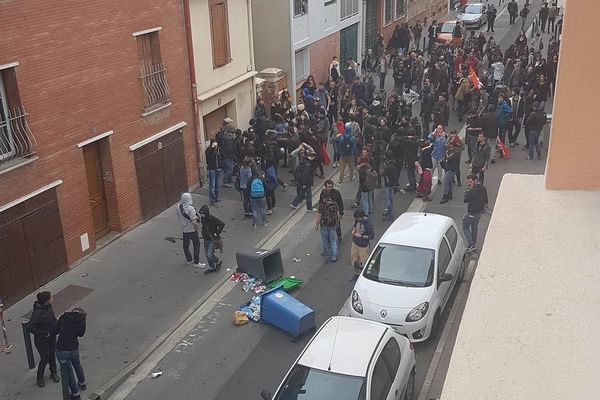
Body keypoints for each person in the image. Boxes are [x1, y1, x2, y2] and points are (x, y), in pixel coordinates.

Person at [28, 291, 59, 388]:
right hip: (42, 340)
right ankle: (39, 376)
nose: (52, 299)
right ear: (47, 301)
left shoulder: (49, 308)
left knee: (52, 355)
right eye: (51, 297)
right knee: (45, 357)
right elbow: (29, 327)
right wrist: (43, 333)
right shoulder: (37, 312)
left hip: (52, 336)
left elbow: (52, 319)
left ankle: (53, 372)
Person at [54, 308, 87, 400]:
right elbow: (81, 334)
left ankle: (75, 394)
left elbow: (56, 330)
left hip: (62, 348)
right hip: (74, 347)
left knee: (68, 372)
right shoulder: (82, 320)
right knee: (77, 364)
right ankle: (82, 383)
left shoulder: (64, 317)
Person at [462, 174, 488, 252]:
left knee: (465, 226)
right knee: (474, 227)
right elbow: (486, 199)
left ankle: (472, 244)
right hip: (479, 212)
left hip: (472, 212)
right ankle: (473, 243)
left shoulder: (472, 190)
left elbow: (465, 199)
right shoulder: (483, 188)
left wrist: (468, 190)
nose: (470, 183)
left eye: (470, 182)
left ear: (475, 180)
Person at [176, 193, 202, 268]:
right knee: (196, 246)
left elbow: (178, 216)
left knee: (186, 246)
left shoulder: (178, 207)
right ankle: (196, 263)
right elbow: (194, 221)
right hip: (192, 231)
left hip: (184, 231)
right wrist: (197, 229)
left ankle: (189, 259)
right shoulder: (191, 209)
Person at [315, 188, 340, 263]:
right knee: (333, 240)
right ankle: (334, 256)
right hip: (332, 224)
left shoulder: (322, 205)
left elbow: (319, 216)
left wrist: (317, 225)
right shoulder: (334, 203)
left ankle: (327, 253)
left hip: (324, 224)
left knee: (325, 240)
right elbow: (338, 214)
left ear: (322, 196)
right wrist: (337, 221)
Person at [198, 205, 225, 274]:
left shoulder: (212, 218)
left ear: (206, 213)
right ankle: (211, 267)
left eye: (202, 213)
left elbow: (222, 224)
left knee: (209, 254)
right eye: (201, 213)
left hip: (212, 240)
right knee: (207, 255)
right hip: (206, 239)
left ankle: (218, 261)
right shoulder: (202, 219)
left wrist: (217, 232)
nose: (201, 215)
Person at [350, 210, 374, 281]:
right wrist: (354, 230)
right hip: (355, 243)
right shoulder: (357, 220)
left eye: (358, 218)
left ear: (362, 217)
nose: (357, 220)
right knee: (354, 260)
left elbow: (371, 236)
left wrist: (361, 236)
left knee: (364, 262)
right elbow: (355, 225)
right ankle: (356, 274)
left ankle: (364, 276)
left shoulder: (368, 225)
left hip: (363, 246)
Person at [290, 145, 316, 211]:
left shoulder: (304, 161)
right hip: (306, 182)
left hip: (302, 181)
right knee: (309, 195)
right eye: (313, 157)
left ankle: (294, 203)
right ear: (310, 156)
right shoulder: (308, 164)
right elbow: (305, 175)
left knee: (301, 193)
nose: (314, 158)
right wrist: (304, 183)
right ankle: (309, 208)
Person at [382, 150, 399, 221]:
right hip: (390, 183)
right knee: (389, 199)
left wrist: (395, 184)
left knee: (389, 200)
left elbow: (393, 175)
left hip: (389, 183)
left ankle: (390, 215)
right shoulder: (391, 164)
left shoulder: (390, 166)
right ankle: (389, 212)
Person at [205, 139, 221, 207]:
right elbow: (207, 153)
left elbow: (220, 158)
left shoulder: (217, 150)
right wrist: (212, 147)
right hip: (212, 169)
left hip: (217, 169)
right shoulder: (209, 150)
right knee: (212, 186)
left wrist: (220, 166)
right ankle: (212, 200)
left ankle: (216, 197)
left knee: (217, 185)